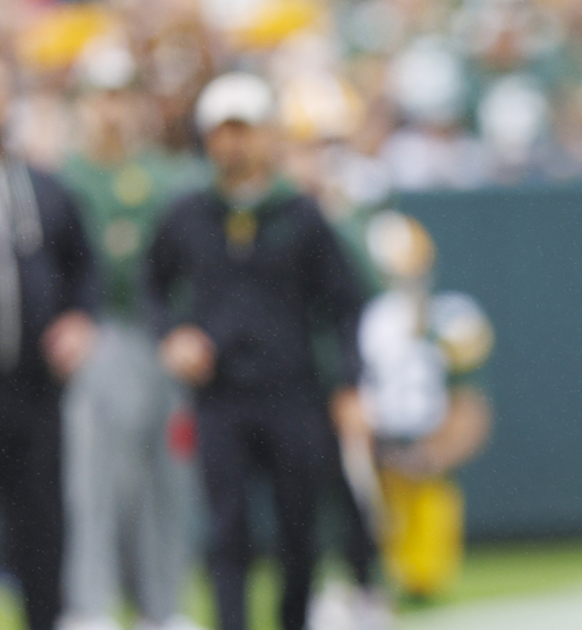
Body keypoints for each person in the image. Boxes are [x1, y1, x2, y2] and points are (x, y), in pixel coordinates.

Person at [144, 72, 367, 630]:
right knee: (227, 528)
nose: (232, 143)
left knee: (298, 529)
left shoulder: (299, 214)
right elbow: (150, 286)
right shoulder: (188, 212)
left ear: (267, 135)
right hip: (220, 394)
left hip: (293, 393)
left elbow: (344, 302)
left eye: (243, 129)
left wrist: (346, 382)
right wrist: (172, 334)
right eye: (222, 131)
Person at [56, 43, 207, 630]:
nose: (112, 110)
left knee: (169, 481)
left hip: (163, 337)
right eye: (102, 96)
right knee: (93, 484)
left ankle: (163, 607)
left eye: (122, 95)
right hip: (102, 335)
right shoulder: (64, 175)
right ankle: (90, 606)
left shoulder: (169, 178)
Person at [0, 58, 99, 630]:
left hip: (33, 385)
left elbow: (83, 269)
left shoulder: (43, 189)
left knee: (41, 520)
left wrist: (80, 322)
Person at [353, 211, 493, 603]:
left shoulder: (449, 320)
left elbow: (470, 406)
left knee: (424, 575)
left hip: (422, 453)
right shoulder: (364, 320)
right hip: (375, 451)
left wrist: (433, 454)